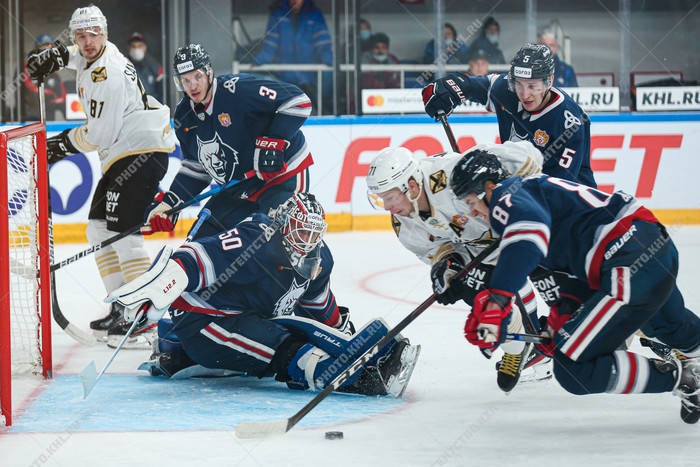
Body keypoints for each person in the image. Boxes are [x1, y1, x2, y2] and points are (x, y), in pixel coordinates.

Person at [450, 150, 700, 424]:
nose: (472, 212)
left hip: (626, 258)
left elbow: (528, 236)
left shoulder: (505, 195)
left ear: (488, 187)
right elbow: (584, 264)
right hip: (648, 247)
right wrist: (562, 314)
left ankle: (683, 379)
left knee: (572, 367)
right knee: (671, 327)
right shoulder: (531, 192)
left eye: (472, 201)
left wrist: (498, 300)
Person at [106, 193, 421, 398]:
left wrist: (342, 335)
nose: (307, 241)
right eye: (301, 231)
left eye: (314, 233)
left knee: (295, 337)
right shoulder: (256, 240)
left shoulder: (319, 257)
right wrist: (158, 290)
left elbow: (319, 307)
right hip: (207, 322)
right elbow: (196, 258)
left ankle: (358, 362)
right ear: (284, 225)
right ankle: (358, 381)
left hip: (250, 319)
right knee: (288, 349)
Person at [26, 6, 175, 343]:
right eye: (80, 35)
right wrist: (57, 56)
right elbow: (80, 57)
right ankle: (122, 307)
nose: (87, 41)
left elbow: (99, 136)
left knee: (124, 234)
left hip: (141, 151)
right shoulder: (97, 54)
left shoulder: (107, 73)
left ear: (105, 34)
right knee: (97, 229)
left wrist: (61, 144)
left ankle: (143, 315)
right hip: (126, 153)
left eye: (94, 34)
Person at [365, 142, 553, 393]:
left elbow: (530, 158)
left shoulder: (452, 173)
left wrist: (512, 199)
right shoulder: (403, 225)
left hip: (525, 228)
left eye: (389, 197)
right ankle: (516, 346)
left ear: (410, 186)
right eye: (381, 199)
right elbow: (435, 250)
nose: (387, 207)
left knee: (559, 290)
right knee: (476, 295)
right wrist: (447, 266)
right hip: (481, 249)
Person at [142, 43, 314, 252]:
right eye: (185, 80)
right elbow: (197, 167)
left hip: (280, 177)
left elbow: (298, 101)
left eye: (197, 76)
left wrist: (274, 142)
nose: (192, 85)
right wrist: (170, 205)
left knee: (275, 247)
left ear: (209, 73)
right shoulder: (184, 116)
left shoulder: (238, 90)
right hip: (236, 185)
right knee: (198, 246)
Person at [421, 42, 596, 188]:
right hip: (520, 197)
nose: (524, 94)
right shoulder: (508, 90)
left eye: (532, 86)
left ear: (549, 81)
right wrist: (455, 85)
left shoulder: (569, 122)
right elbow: (475, 86)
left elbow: (558, 189)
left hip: (574, 212)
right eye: (518, 84)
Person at [253, 0, 333, 114]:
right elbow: (271, 43)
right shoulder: (278, 13)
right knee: (286, 112)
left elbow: (322, 42)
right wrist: (258, 61)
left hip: (309, 78)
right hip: (284, 77)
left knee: (310, 112)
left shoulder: (314, 14)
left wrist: (330, 61)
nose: (296, 1)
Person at [22, 34, 67, 121]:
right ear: (35, 49)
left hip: (48, 116)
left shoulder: (54, 72)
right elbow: (27, 88)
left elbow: (62, 96)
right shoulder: (27, 67)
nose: (45, 50)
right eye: (41, 47)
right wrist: (49, 94)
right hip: (30, 114)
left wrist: (53, 102)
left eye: (48, 47)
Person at [127, 32, 164, 102]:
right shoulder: (122, 65)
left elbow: (161, 94)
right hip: (130, 109)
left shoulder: (155, 67)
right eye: (133, 46)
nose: (136, 49)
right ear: (129, 48)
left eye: (140, 46)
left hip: (151, 109)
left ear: (145, 47)